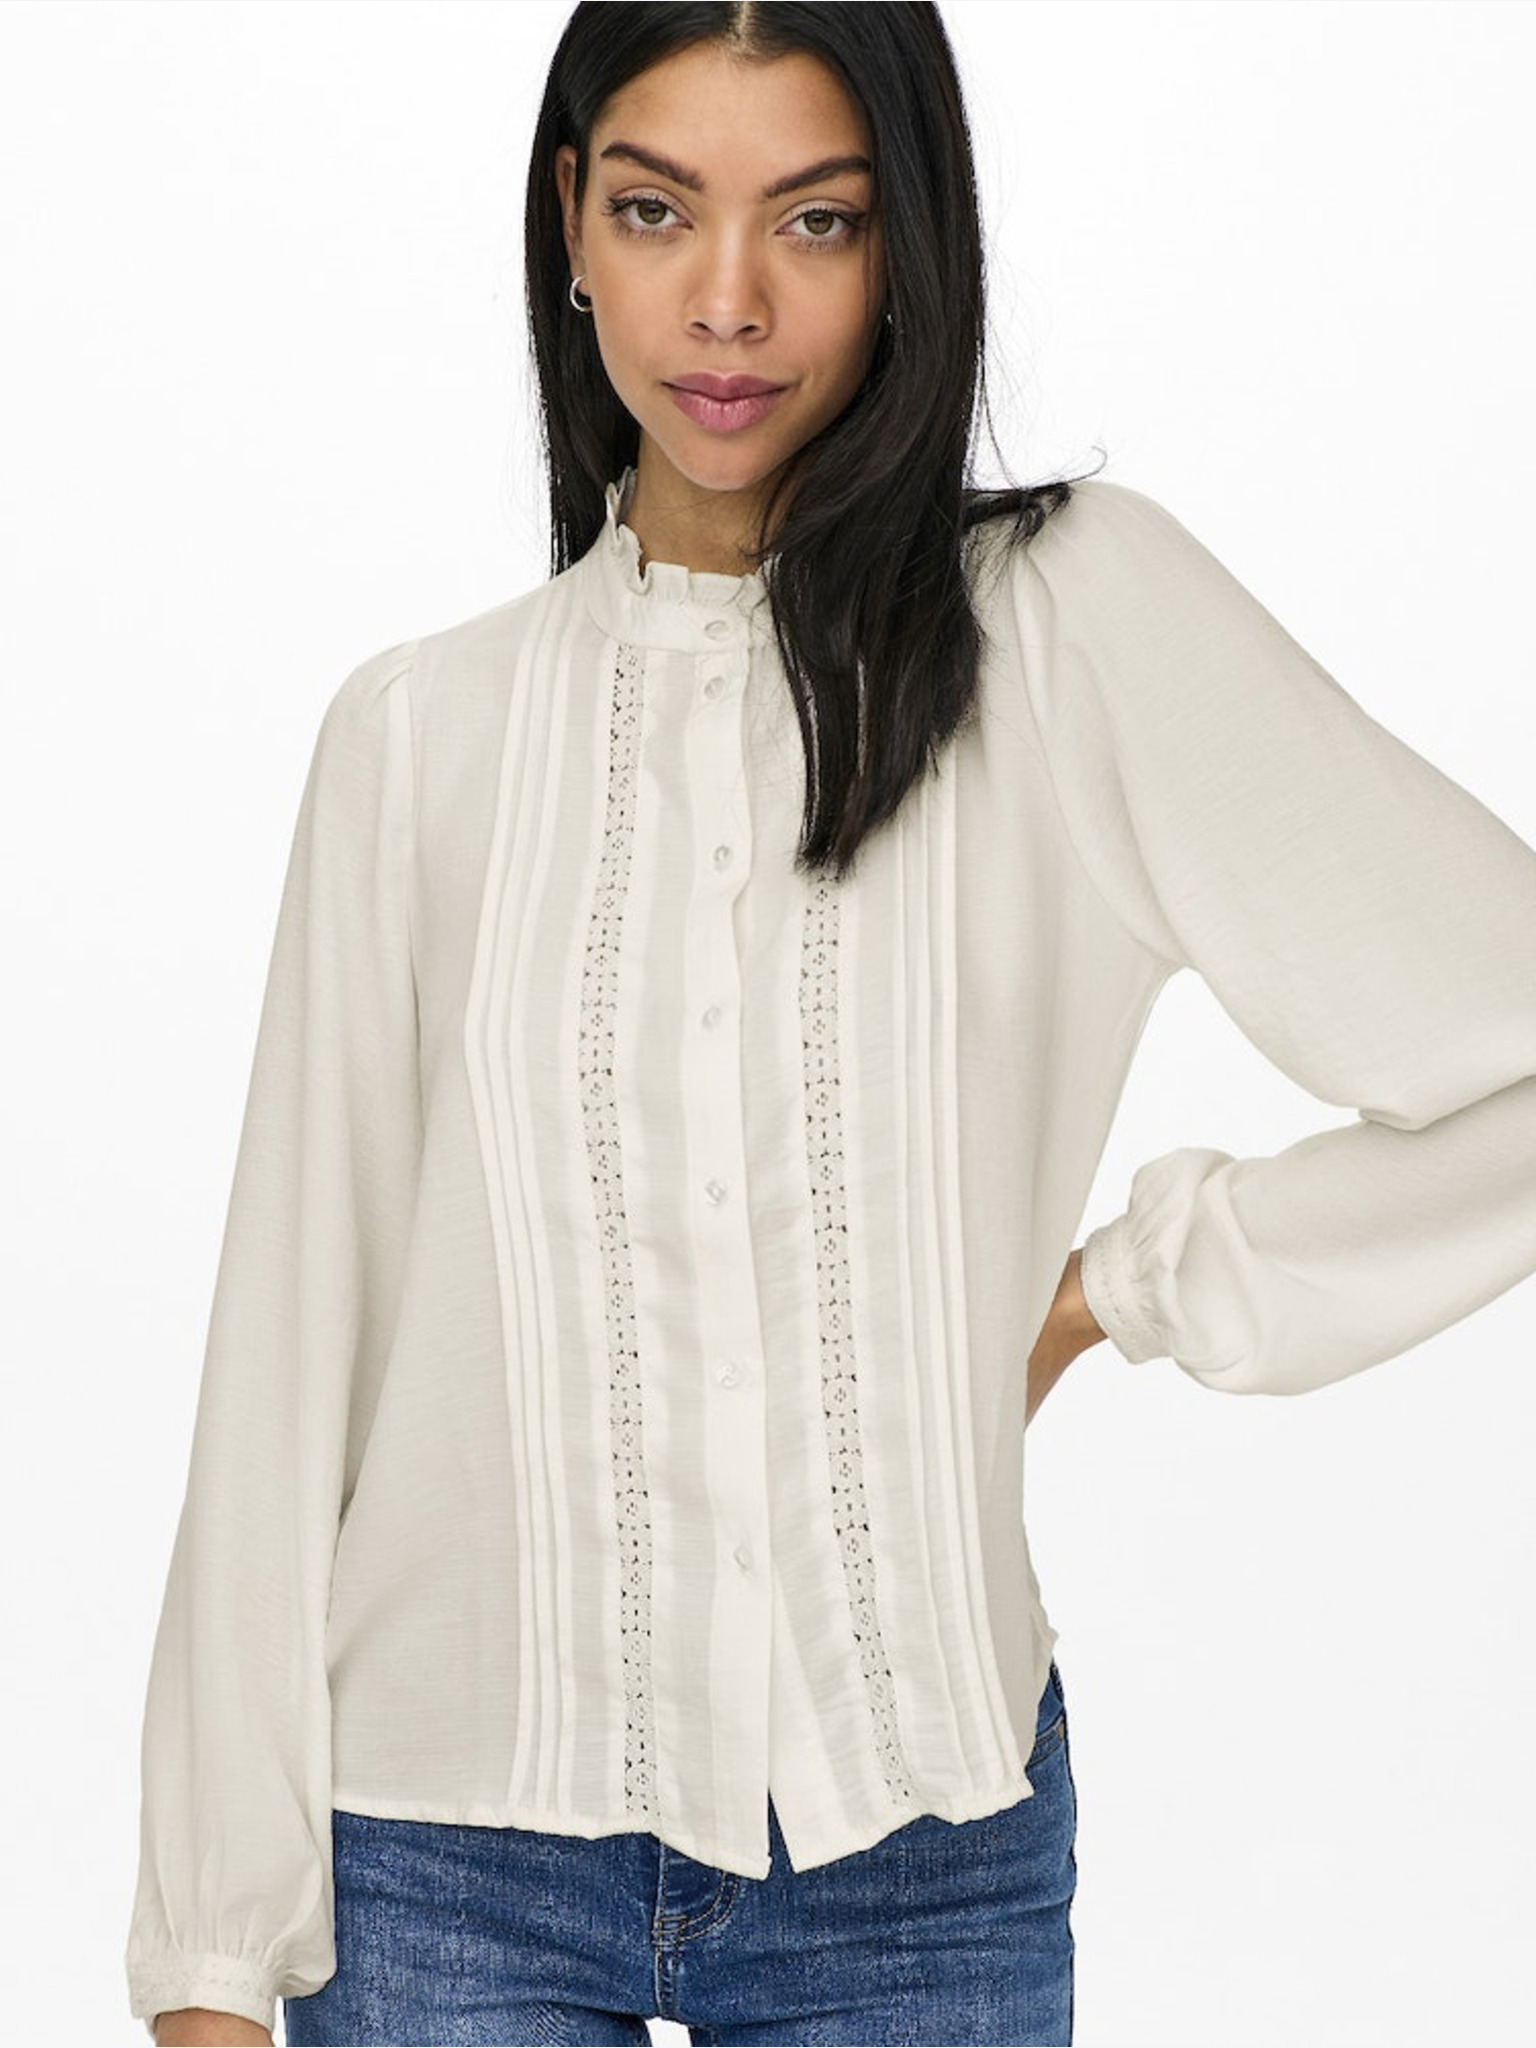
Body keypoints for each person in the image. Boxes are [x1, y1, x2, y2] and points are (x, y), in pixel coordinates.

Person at [124, 5, 1536, 2046]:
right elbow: (290, 1353)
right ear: (571, 225)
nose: (727, 300)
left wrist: (1122, 1291)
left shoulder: (1068, 629)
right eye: (656, 209)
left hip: (915, 1861)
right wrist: (209, 1953)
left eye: (815, 218)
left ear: (908, 245)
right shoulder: (420, 736)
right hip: (437, 1860)